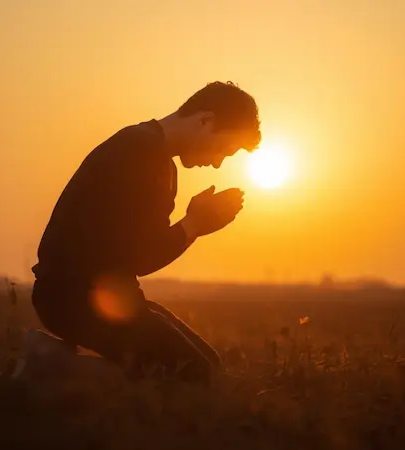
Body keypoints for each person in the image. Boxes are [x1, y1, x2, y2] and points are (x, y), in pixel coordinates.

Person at [30, 81, 262, 384]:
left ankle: (68, 362)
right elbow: (139, 257)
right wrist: (193, 224)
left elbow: (144, 255)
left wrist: (196, 225)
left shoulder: (160, 162)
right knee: (191, 375)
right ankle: (49, 365)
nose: (217, 163)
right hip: (71, 299)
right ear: (205, 120)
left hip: (108, 299)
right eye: (222, 149)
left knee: (207, 365)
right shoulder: (138, 152)